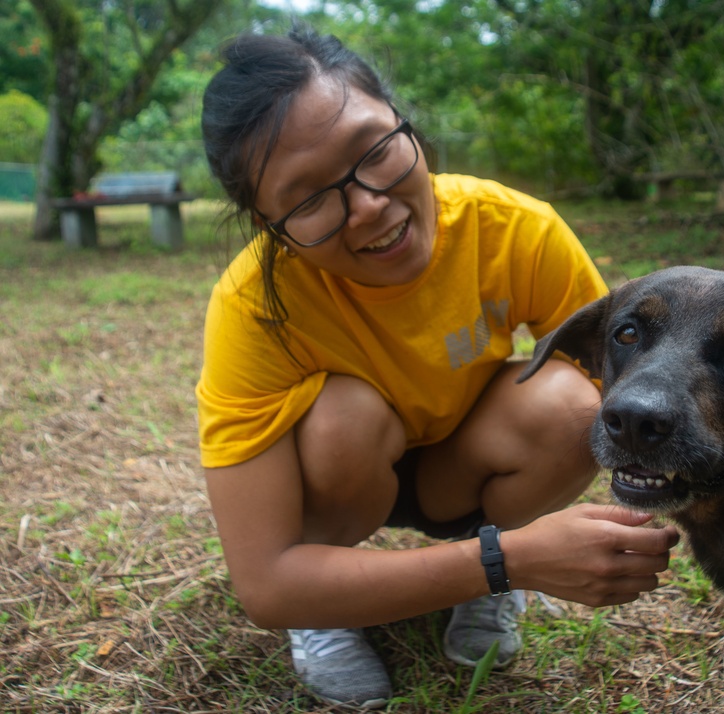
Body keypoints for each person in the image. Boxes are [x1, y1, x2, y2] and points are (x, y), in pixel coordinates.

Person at [196, 21, 679, 710]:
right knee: (342, 416)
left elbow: (630, 391)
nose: (367, 206)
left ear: (405, 123)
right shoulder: (253, 307)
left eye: (374, 149)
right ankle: (329, 608)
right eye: (307, 199)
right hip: (343, 485)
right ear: (267, 224)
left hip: (462, 470)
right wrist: (508, 562)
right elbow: (265, 583)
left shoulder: (514, 229)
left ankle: (483, 588)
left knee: (579, 404)